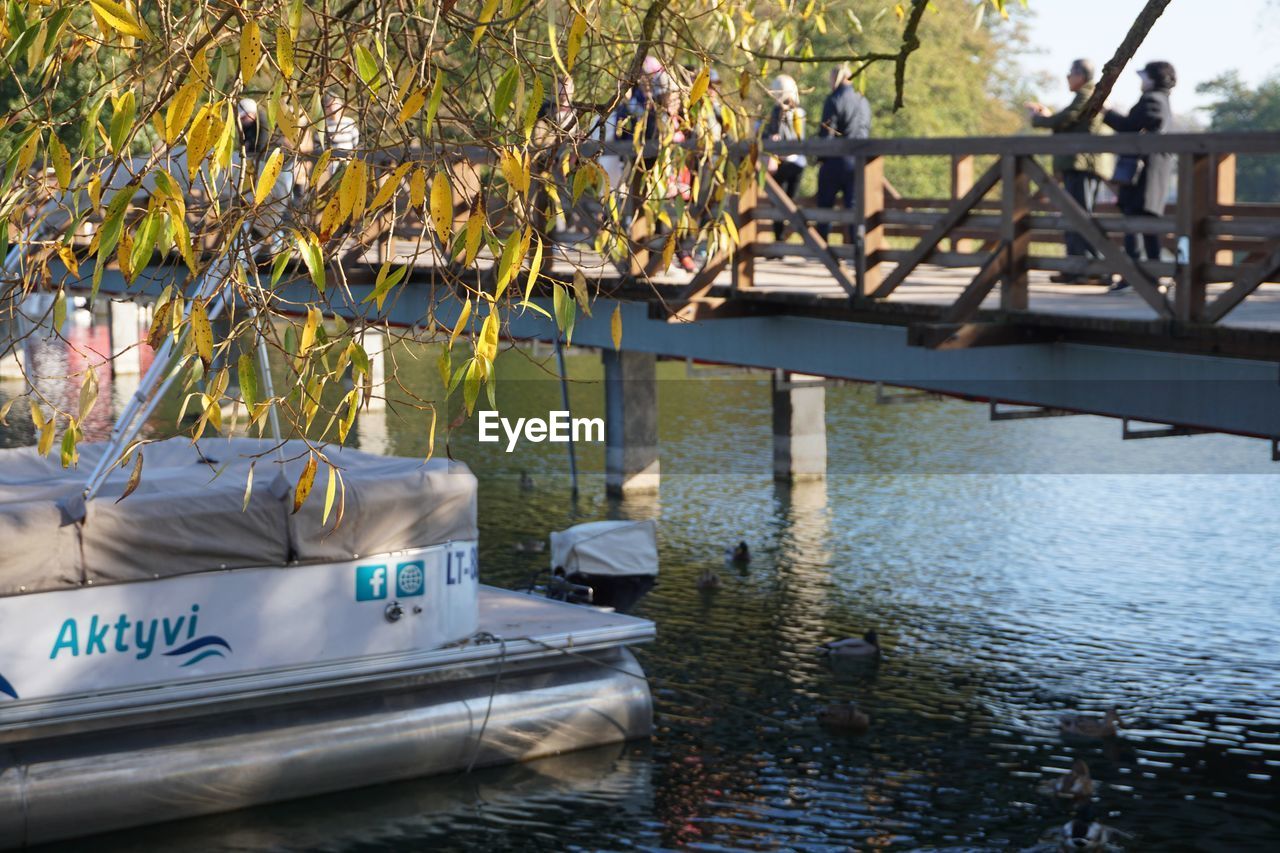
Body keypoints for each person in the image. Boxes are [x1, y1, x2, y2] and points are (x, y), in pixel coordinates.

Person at [1028, 59, 1111, 284]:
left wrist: (1040, 120)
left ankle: (1091, 269)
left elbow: (1067, 119)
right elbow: (1068, 121)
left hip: (1081, 165)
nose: (1067, 78)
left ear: (1081, 76)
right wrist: (1047, 117)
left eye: (1070, 74)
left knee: (1079, 217)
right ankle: (1077, 268)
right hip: (1078, 165)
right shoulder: (1085, 95)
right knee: (1075, 216)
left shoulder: (1087, 94)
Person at [1103, 61, 1176, 293]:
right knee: (1147, 224)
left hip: (1144, 173)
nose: (1141, 81)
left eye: (1144, 77)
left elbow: (1129, 126)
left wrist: (1106, 112)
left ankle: (1137, 277)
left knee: (1135, 222)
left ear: (1153, 79)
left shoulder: (1152, 100)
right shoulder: (1162, 99)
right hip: (1151, 173)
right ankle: (1152, 276)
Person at [816, 65, 871, 247]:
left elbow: (827, 135)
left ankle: (821, 246)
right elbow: (864, 131)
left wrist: (820, 159)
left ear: (835, 78)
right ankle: (857, 247)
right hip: (858, 160)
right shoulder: (862, 101)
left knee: (825, 206)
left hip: (836, 160)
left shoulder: (833, 99)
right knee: (854, 207)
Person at [763, 75, 807, 242]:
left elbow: (792, 139)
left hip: (789, 163)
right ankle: (781, 241)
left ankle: (781, 241)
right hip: (791, 163)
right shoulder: (792, 112)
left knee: (782, 204)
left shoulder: (788, 113)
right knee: (784, 204)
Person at [320, 93, 360, 158]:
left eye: (335, 105)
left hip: (347, 159)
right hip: (329, 161)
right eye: (329, 106)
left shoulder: (349, 122)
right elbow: (318, 146)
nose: (333, 109)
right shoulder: (322, 124)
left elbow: (355, 142)